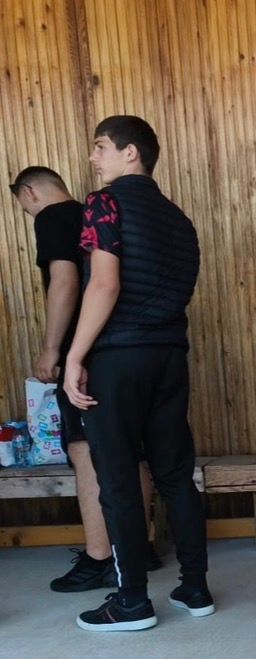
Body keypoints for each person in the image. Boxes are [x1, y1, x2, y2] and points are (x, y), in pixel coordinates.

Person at [63, 115, 212, 632]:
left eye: (100, 146)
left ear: (131, 153)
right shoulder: (180, 220)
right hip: (169, 357)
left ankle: (131, 602)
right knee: (175, 475)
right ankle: (195, 588)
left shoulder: (104, 203)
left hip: (118, 359)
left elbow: (104, 285)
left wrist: (76, 356)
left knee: (119, 479)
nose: (93, 157)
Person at [10, 167, 160, 593]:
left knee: (84, 449)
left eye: (24, 206)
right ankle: (137, 549)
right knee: (130, 451)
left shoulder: (53, 217)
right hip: (126, 349)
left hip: (87, 355)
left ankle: (100, 558)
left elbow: (65, 281)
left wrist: (53, 349)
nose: (28, 212)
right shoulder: (100, 212)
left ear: (30, 192)